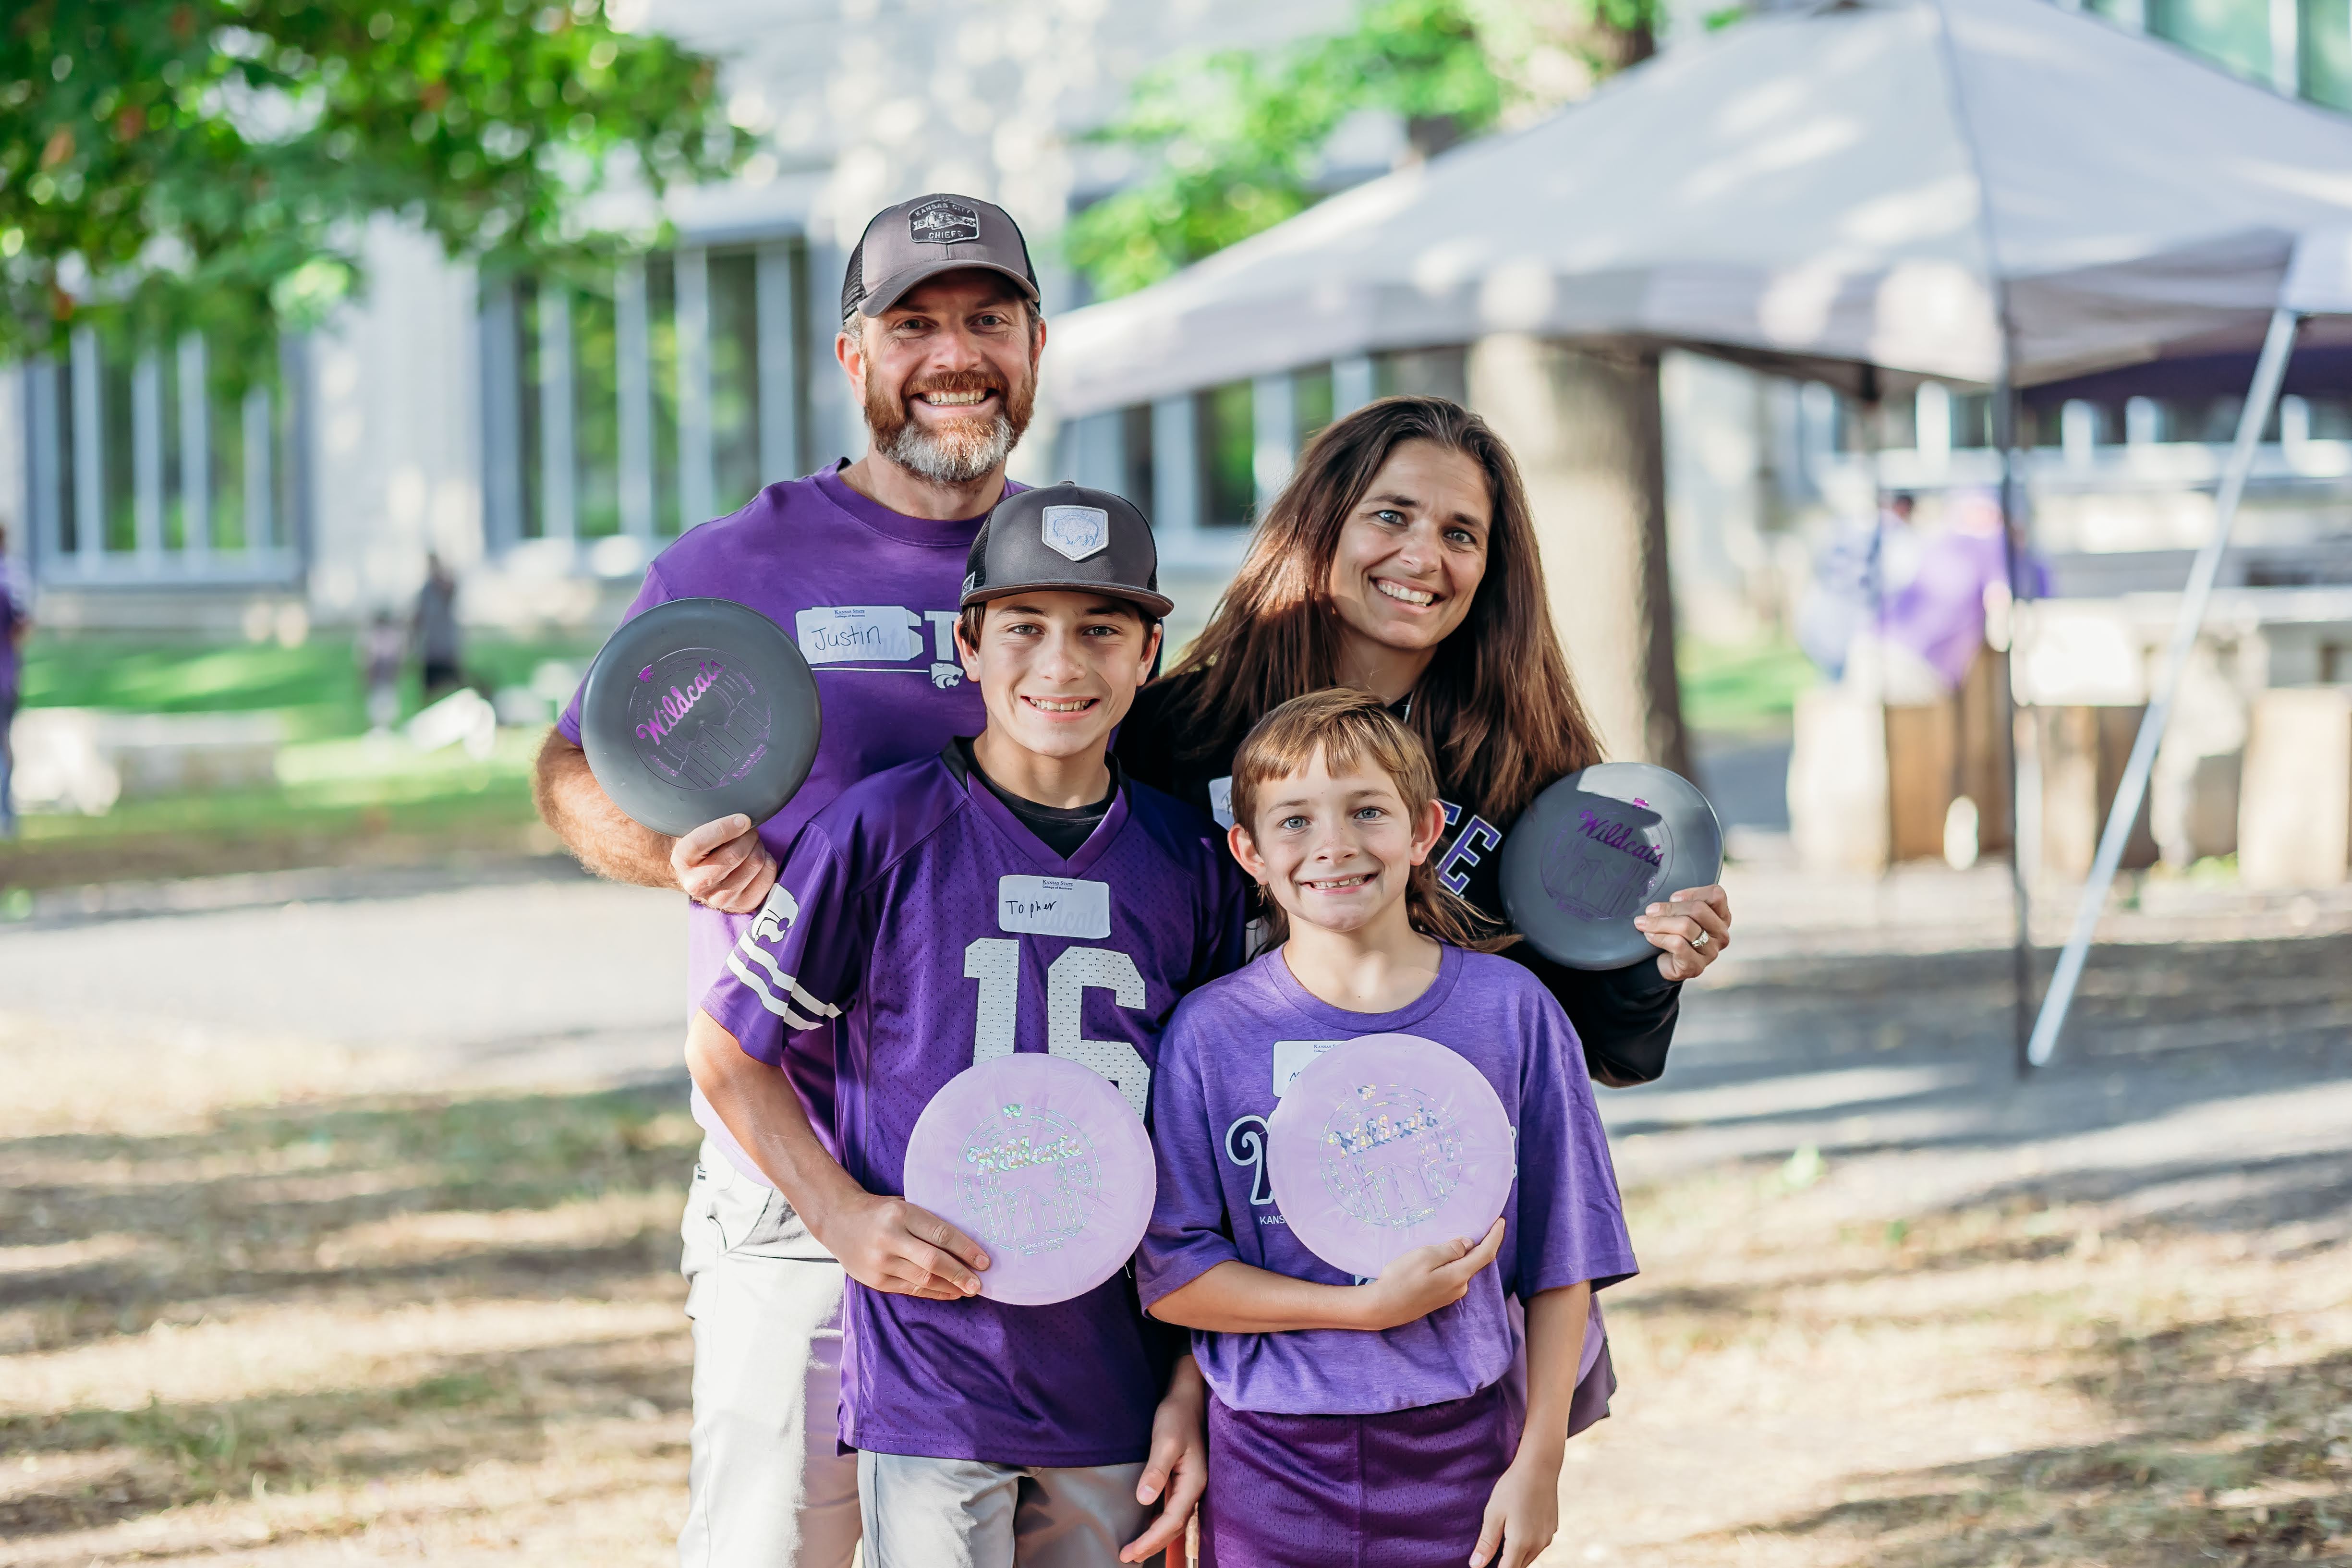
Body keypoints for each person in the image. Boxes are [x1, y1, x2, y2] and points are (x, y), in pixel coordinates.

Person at [533, 194, 1203, 1568]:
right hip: (798, 1163)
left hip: (1039, 1180)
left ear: (1033, 348)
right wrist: (672, 856)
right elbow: (571, 770)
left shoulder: (1079, 571)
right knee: (776, 1540)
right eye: (915, 325)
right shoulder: (738, 566)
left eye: (987, 321)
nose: (953, 355)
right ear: (854, 356)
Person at [687, 485, 1246, 1567]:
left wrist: (1190, 1380)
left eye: (1100, 631)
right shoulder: (882, 828)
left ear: (1147, 654)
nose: (1062, 663)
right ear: (969, 643)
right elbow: (726, 1051)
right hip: (935, 1355)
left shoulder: (1188, 863)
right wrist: (844, 1217)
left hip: (1114, 1365)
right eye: (1026, 628)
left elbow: (1212, 1137)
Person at [1140, 691, 1635, 1568]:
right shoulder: (1211, 1035)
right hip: (1268, 1463)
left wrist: (1541, 1459)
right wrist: (1358, 1312)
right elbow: (1175, 1276)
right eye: (1294, 821)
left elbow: (1567, 1257)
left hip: (1462, 1453)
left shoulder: (1509, 1012)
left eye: (1366, 811)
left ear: (1423, 830)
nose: (1332, 845)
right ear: (1247, 851)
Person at [1116, 397, 1731, 1090]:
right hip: (1218, 1161)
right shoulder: (1168, 733)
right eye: (1390, 516)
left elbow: (1606, 1048)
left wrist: (1656, 960)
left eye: (1461, 534)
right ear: (1320, 526)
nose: (1421, 556)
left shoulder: (1529, 771)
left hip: (1441, 1173)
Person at [0, 522, 26, 839]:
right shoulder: (12, 579)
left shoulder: (9, 581)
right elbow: (22, 628)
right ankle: (6, 812)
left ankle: (6, 811)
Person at [412, 553, 464, 701]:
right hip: (431, 651)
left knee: (454, 690)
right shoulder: (425, 591)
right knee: (429, 693)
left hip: (447, 650)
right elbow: (417, 618)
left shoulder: (444, 587)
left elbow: (452, 588)